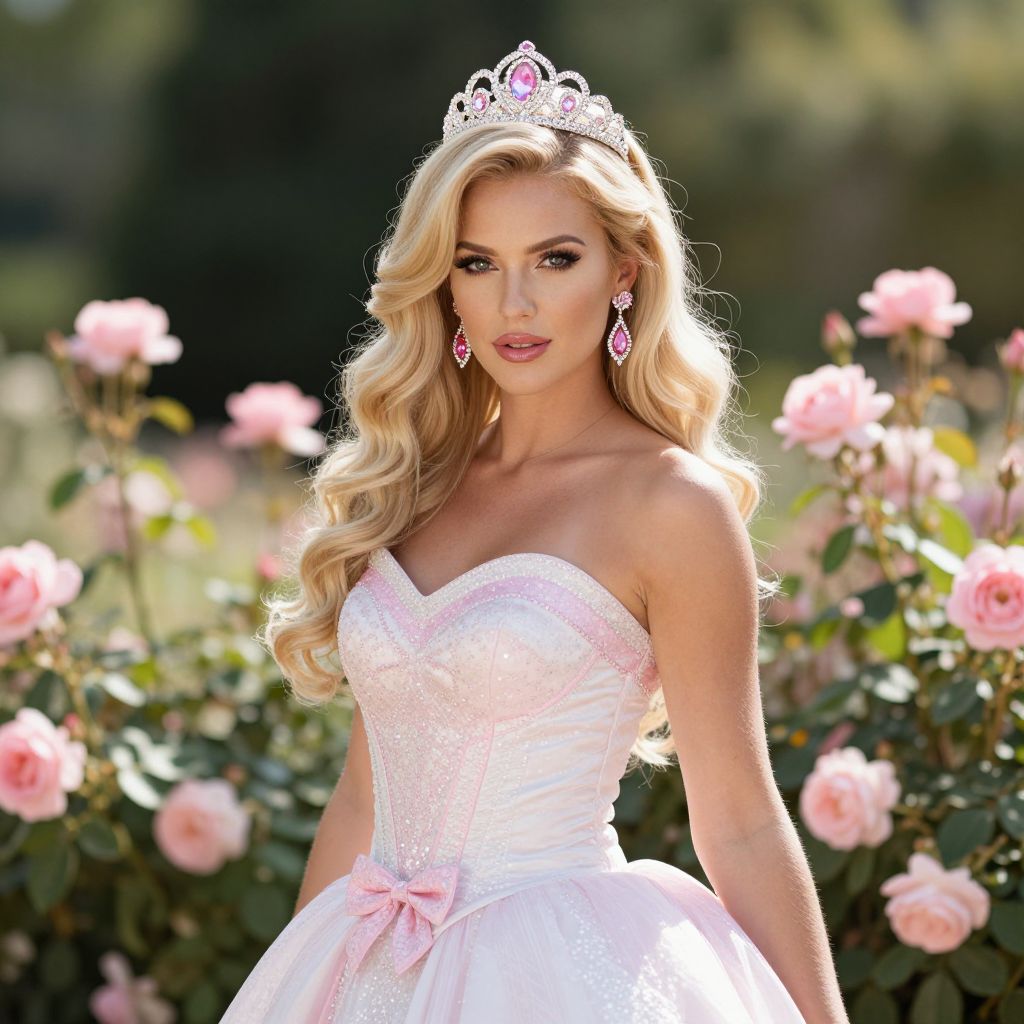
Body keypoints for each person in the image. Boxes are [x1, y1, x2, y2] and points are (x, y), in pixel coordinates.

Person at [219, 39, 849, 1024]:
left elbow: (738, 821)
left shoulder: (670, 505)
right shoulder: (414, 483)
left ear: (623, 272)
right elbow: (360, 798)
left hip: (562, 972)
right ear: (447, 287)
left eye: (554, 259)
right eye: (479, 263)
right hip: (367, 958)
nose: (515, 302)